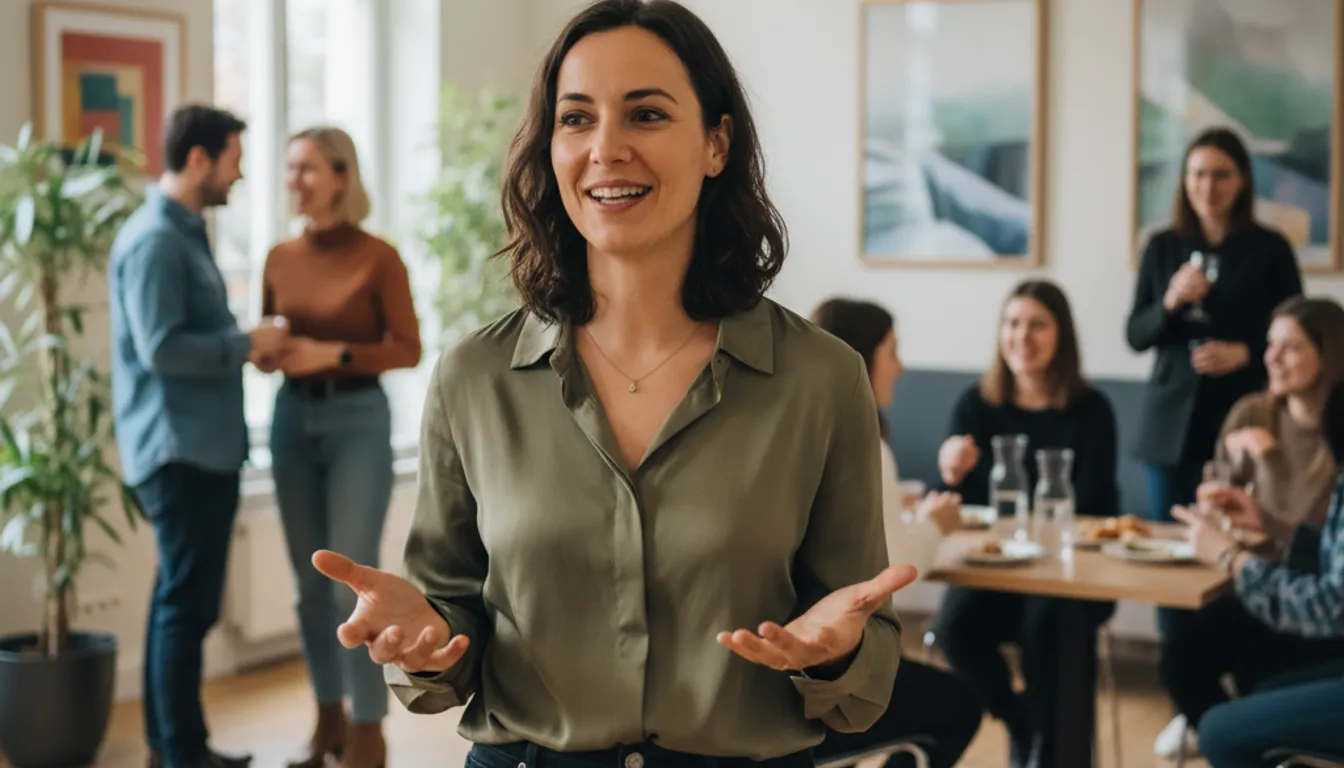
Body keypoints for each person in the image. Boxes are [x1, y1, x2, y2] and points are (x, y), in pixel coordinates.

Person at [311, 1, 910, 766]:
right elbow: (449, 640)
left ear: (717, 143)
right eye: (577, 119)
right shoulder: (475, 379)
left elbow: (864, 670)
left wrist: (832, 656)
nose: (606, 149)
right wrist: (425, 640)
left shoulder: (821, 379)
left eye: (647, 115)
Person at [109, 105, 286, 768]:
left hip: (193, 446)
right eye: (235, 161)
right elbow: (161, 349)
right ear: (200, 159)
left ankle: (173, 747)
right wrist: (247, 343)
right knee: (188, 609)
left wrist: (243, 346)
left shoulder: (182, 232)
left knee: (176, 605)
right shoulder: (158, 238)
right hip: (179, 450)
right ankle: (183, 754)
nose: (239, 177)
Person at [259, 127, 422, 768]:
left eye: (305, 169)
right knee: (306, 586)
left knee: (351, 584)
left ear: (340, 176)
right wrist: (268, 350)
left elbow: (407, 348)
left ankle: (368, 730)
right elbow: (271, 350)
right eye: (288, 169)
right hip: (290, 420)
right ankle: (326, 718)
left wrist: (336, 352)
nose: (292, 180)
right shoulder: (277, 257)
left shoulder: (378, 257)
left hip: (358, 420)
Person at [1125, 126, 1303, 646]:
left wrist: (1246, 351)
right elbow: (1136, 334)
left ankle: (1233, 678)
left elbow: (1297, 331)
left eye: (1222, 174)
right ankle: (1183, 686)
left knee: (1239, 548)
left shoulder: (1269, 249)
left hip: (1242, 423)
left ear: (1242, 180)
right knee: (1169, 556)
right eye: (1199, 174)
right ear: (1184, 181)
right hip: (1169, 430)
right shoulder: (1162, 246)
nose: (1209, 185)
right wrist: (1171, 302)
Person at [934, 279, 1120, 768]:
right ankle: (1021, 721)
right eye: (1013, 323)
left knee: (1048, 625)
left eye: (1038, 324)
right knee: (953, 629)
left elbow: (1096, 504)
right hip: (996, 572)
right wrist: (951, 473)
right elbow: (960, 508)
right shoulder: (975, 405)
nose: (1023, 336)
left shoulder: (1091, 411)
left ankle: (1050, 752)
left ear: (1062, 335)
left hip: (1070, 575)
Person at [1157, 297, 1344, 759]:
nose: (1272, 359)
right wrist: (1256, 520)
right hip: (1276, 587)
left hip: (1308, 607)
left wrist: (1230, 556)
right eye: (1269, 345)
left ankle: (1251, 735)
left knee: (1251, 684)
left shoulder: (1335, 437)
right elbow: (1329, 551)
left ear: (1331, 355)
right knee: (1187, 652)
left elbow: (1330, 602)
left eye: (1291, 348)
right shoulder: (1252, 411)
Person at [810, 298, 983, 768]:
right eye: (894, 351)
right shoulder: (864, 442)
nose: (902, 368)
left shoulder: (797, 429)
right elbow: (896, 569)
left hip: (775, 672)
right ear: (861, 356)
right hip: (827, 678)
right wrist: (938, 524)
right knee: (959, 706)